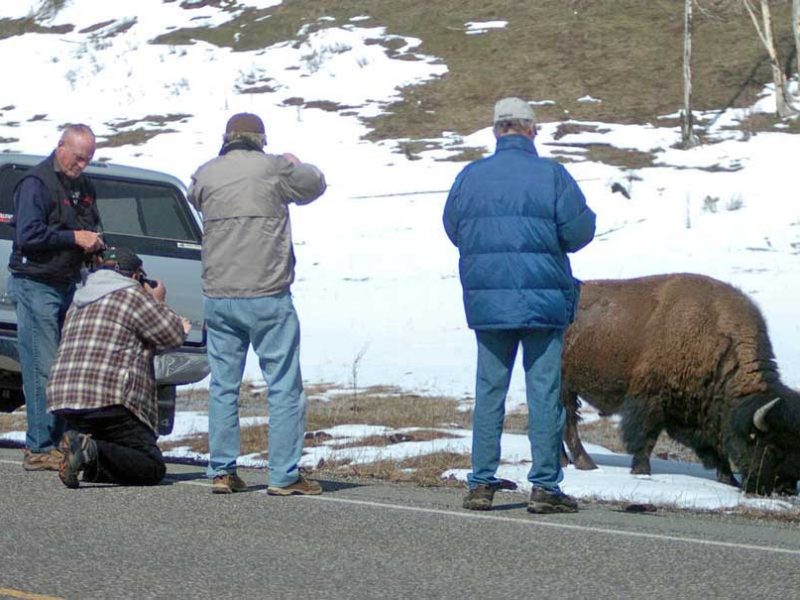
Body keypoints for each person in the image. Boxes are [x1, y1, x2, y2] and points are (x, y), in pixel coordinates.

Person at [443, 97, 596, 514]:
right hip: (543, 300)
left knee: (489, 390)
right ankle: (545, 485)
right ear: (532, 129)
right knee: (543, 391)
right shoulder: (553, 175)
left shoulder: (470, 176)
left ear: (496, 130)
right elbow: (580, 232)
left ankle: (480, 483)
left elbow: (454, 228)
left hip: (488, 299)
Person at [188, 112, 327, 495]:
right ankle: (283, 475)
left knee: (223, 386)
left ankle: (222, 471)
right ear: (260, 139)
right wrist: (295, 163)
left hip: (219, 296)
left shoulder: (208, 172)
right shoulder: (274, 169)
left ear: (227, 137)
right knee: (282, 385)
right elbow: (315, 185)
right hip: (267, 294)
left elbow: (193, 194)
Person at [46, 247, 191, 488]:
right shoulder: (131, 296)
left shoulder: (79, 298)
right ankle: (89, 449)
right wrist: (158, 302)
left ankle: (85, 452)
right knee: (150, 466)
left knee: (111, 456)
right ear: (136, 276)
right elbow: (171, 335)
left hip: (65, 397)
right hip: (109, 399)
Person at [7, 124, 104, 471]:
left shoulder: (83, 186)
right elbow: (28, 233)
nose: (82, 165)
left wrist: (94, 244)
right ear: (61, 147)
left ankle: (59, 441)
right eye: (78, 158)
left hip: (68, 285)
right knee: (42, 367)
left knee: (63, 370)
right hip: (36, 284)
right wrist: (72, 238)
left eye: (88, 159)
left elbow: (91, 225)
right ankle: (39, 446)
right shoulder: (36, 183)